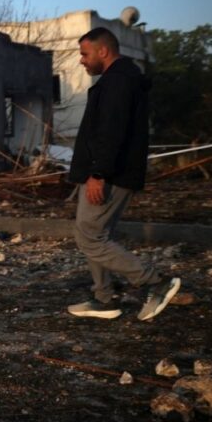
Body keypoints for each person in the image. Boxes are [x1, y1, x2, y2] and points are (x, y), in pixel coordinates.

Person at [66, 27, 180, 321]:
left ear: (103, 51)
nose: (82, 60)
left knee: (90, 237)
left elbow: (111, 131)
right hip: (109, 171)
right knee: (95, 234)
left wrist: (99, 173)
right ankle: (104, 299)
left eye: (84, 53)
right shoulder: (120, 79)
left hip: (110, 174)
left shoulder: (118, 82)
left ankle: (154, 282)